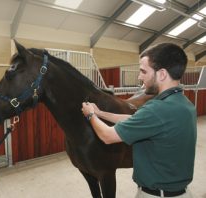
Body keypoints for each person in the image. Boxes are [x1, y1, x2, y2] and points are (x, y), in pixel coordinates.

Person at [82, 43, 196, 198]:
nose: (139, 76)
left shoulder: (157, 110)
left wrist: (90, 115)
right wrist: (100, 113)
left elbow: (107, 136)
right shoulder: (182, 104)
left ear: (162, 74)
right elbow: (135, 119)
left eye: (143, 71)